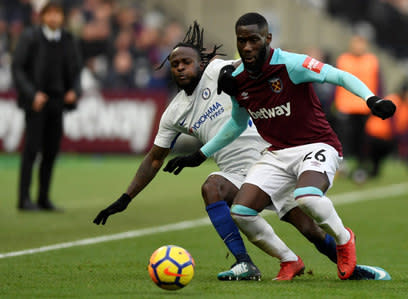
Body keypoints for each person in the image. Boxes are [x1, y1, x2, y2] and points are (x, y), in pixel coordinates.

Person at [94, 21, 391, 281]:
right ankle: (250, 263)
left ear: (202, 63)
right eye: (175, 64)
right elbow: (155, 158)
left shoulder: (222, 71)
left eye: (187, 61)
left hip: (274, 156)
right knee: (213, 187)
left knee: (311, 229)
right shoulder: (174, 114)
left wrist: (369, 98)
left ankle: (353, 268)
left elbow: (254, 58)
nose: (182, 67)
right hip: (238, 173)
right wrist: (125, 198)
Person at [12, 1, 82, 211]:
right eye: (49, 14)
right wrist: (32, 94)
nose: (53, 18)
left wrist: (74, 91)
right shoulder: (30, 37)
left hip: (58, 102)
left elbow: (77, 70)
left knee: (51, 151)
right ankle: (24, 199)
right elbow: (17, 68)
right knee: (31, 151)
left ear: (62, 17)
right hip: (36, 103)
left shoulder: (68, 40)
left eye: (57, 14)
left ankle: (43, 198)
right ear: (42, 17)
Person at [332, 34, 382, 179]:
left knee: (363, 140)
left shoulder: (372, 61)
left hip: (364, 107)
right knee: (343, 138)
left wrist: (377, 102)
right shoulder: (343, 59)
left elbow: (378, 84)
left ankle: (361, 166)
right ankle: (342, 165)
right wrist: (333, 103)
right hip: (345, 106)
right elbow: (334, 82)